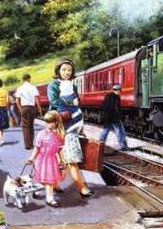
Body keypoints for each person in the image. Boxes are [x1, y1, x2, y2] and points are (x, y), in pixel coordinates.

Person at [47, 58, 94, 198]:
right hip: (62, 124)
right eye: (64, 70)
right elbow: (54, 102)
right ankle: (82, 188)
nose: (67, 72)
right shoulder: (53, 85)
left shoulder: (72, 85)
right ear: (58, 70)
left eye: (69, 70)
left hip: (75, 122)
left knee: (63, 158)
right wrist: (71, 101)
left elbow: (77, 102)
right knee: (71, 159)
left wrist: (81, 126)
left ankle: (53, 184)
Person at [27, 111, 65, 207]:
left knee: (47, 178)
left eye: (49, 122)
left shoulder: (59, 135)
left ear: (56, 122)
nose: (47, 124)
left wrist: (62, 160)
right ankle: (48, 198)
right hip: (42, 160)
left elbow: (60, 150)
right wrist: (31, 158)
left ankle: (39, 192)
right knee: (46, 179)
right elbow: (37, 148)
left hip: (52, 160)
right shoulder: (41, 133)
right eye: (46, 122)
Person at [15, 73, 42, 150]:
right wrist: (39, 109)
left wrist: (20, 109)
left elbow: (17, 101)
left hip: (24, 107)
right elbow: (37, 99)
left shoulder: (20, 88)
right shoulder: (33, 87)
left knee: (25, 126)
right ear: (29, 79)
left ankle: (27, 145)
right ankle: (31, 144)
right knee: (31, 126)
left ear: (23, 79)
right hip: (31, 107)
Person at [100, 84, 129, 152]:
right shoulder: (116, 97)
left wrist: (105, 115)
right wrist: (119, 116)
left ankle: (100, 145)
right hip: (114, 117)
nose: (120, 92)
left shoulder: (107, 96)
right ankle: (123, 146)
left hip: (107, 117)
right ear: (117, 90)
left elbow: (104, 106)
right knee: (120, 131)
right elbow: (116, 108)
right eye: (119, 90)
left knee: (105, 131)